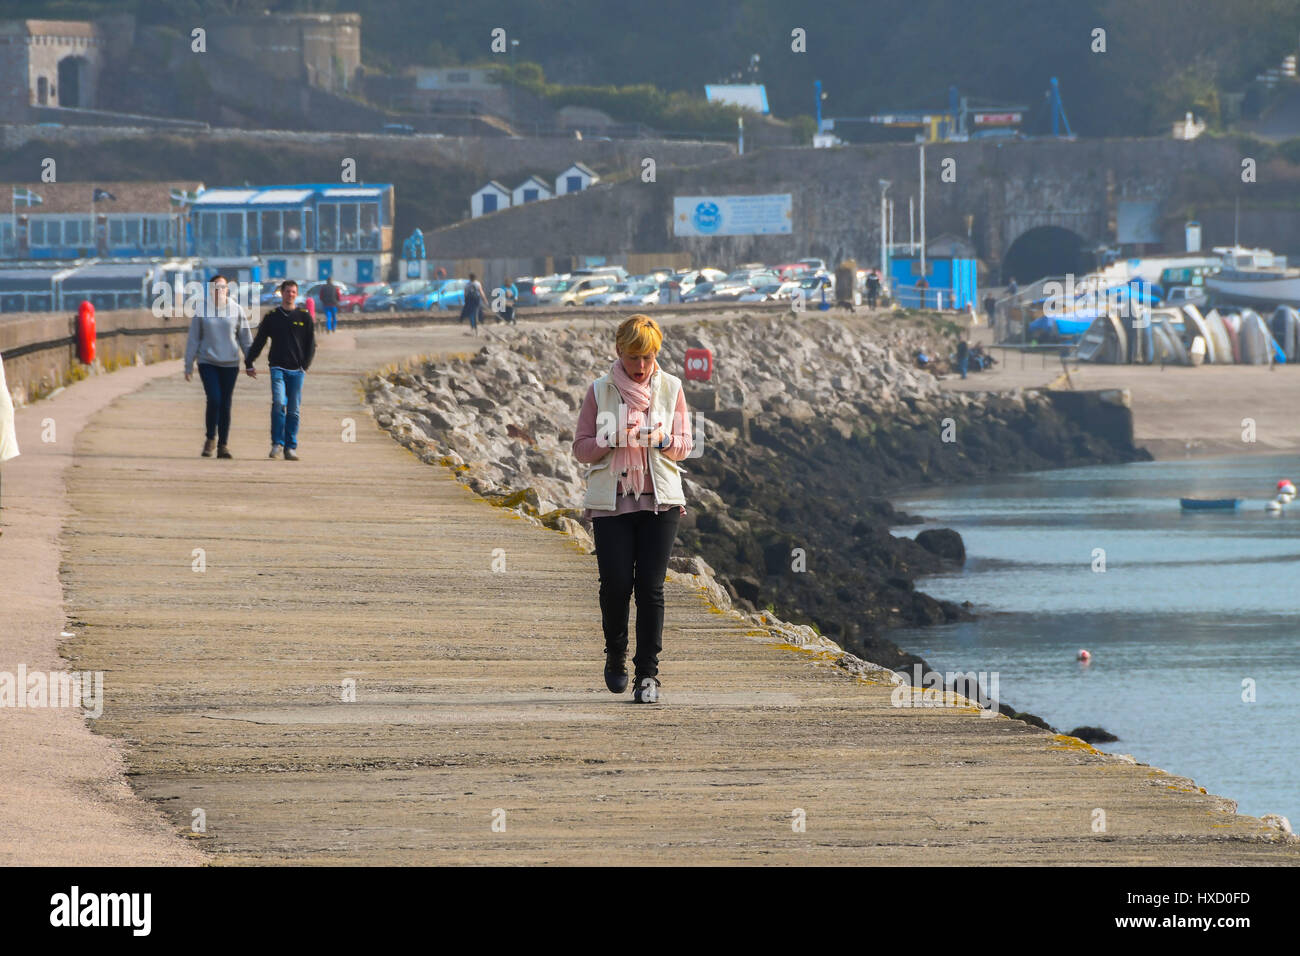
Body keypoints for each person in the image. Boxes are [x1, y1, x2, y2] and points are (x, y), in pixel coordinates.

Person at [572, 315, 694, 704]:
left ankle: (648, 676)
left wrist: (662, 439)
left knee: (651, 589)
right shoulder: (599, 391)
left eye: (648, 356)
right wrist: (611, 438)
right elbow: (581, 448)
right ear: (619, 351)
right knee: (616, 586)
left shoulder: (671, 387)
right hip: (613, 502)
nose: (640, 366)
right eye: (633, 357)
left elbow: (687, 445)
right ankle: (615, 655)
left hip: (661, 502)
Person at [184, 273, 254, 459]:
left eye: (222, 287)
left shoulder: (236, 309)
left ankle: (223, 444)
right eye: (215, 288)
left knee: (225, 403)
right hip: (208, 361)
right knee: (214, 399)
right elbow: (193, 339)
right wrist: (188, 364)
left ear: (227, 290)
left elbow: (245, 338)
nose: (219, 291)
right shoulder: (201, 310)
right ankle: (210, 438)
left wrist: (250, 362)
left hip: (230, 363)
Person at [246, 279, 316, 461]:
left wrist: (305, 366)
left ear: (296, 294)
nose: (290, 295)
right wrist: (249, 361)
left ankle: (290, 447)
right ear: (282, 293)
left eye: (293, 292)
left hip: (297, 370)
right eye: (287, 291)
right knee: (278, 403)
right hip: (277, 367)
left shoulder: (304, 317)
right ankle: (277, 443)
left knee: (294, 410)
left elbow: (311, 344)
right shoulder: (272, 317)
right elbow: (260, 341)